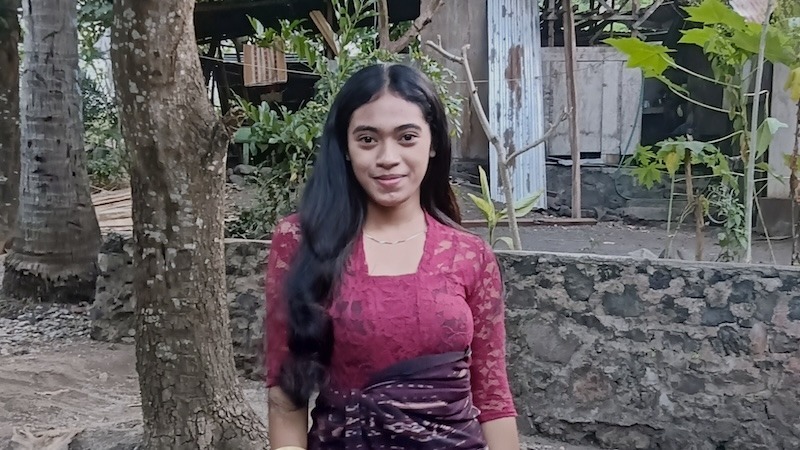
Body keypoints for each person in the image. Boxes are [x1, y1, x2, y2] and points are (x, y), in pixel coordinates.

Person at [265, 62, 520, 450]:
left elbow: (492, 396)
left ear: (432, 143)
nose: (388, 157)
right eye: (367, 139)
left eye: (407, 137)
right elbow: (286, 395)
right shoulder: (301, 241)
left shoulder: (470, 255)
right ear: (345, 148)